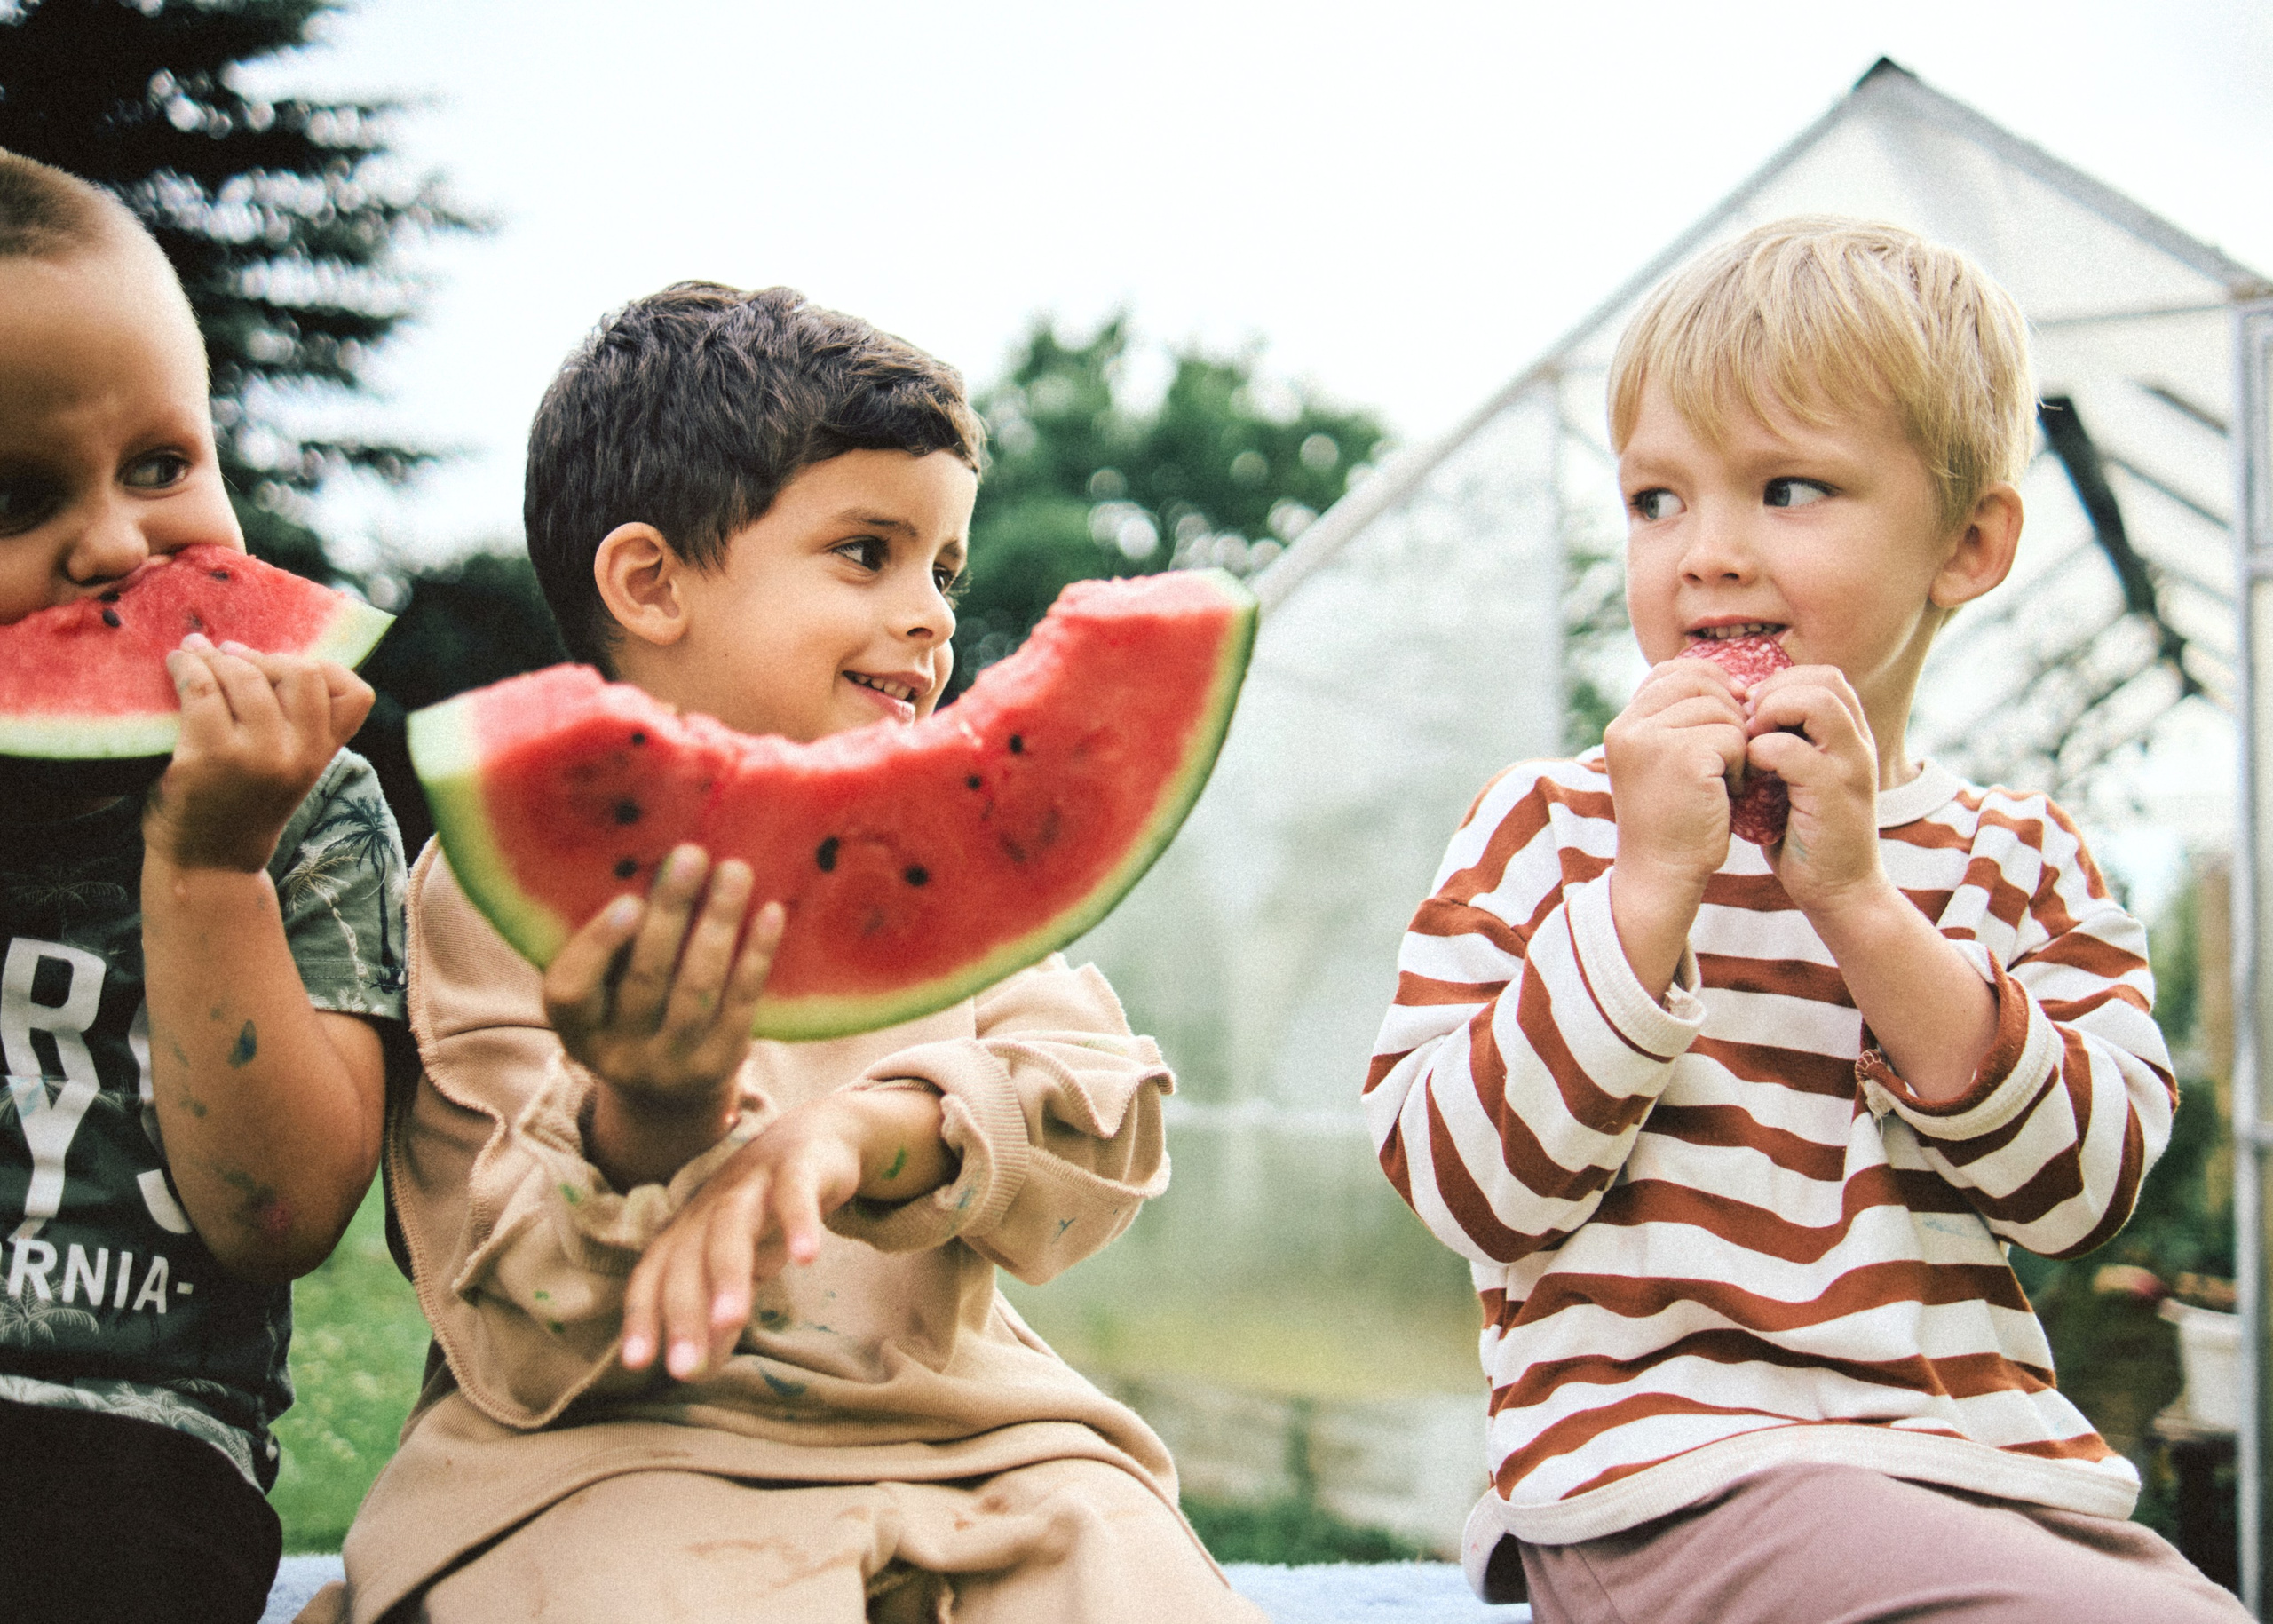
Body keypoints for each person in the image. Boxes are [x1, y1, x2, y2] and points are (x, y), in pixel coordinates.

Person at [330, 282, 1263, 1624]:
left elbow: (1098, 1146)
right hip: (606, 1458)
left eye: (944, 566)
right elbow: (512, 1322)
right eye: (866, 552)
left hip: (982, 1445)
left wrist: (866, 1135)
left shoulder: (952, 867)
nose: (933, 613)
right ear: (651, 581)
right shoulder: (498, 891)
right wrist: (647, 1116)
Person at [1364, 218, 2245, 1622]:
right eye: (1657, 500)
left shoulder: (2022, 859)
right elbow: (1464, 1184)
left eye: (1785, 488)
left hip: (1987, 1477)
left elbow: (2080, 1187)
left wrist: (1859, 902)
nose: (1704, 555)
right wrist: (1648, 892)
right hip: (1661, 1479)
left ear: (1967, 544)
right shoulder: (1547, 828)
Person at [0, 150, 405, 1623]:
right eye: (16, 495)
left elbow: (281, 1210)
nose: (116, 544)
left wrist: (212, 860)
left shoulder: (312, 807)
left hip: (139, 1444)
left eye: (163, 465)